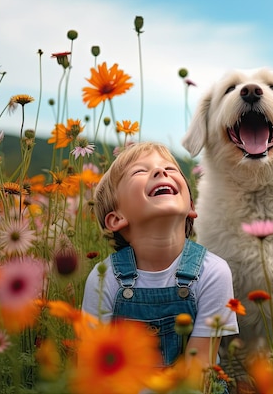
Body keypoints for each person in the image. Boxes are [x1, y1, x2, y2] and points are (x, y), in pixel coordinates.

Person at [82, 141, 239, 371]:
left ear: (191, 207)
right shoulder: (105, 279)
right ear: (116, 219)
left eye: (171, 169)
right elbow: (92, 370)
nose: (160, 171)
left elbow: (199, 371)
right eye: (140, 171)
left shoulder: (213, 272)